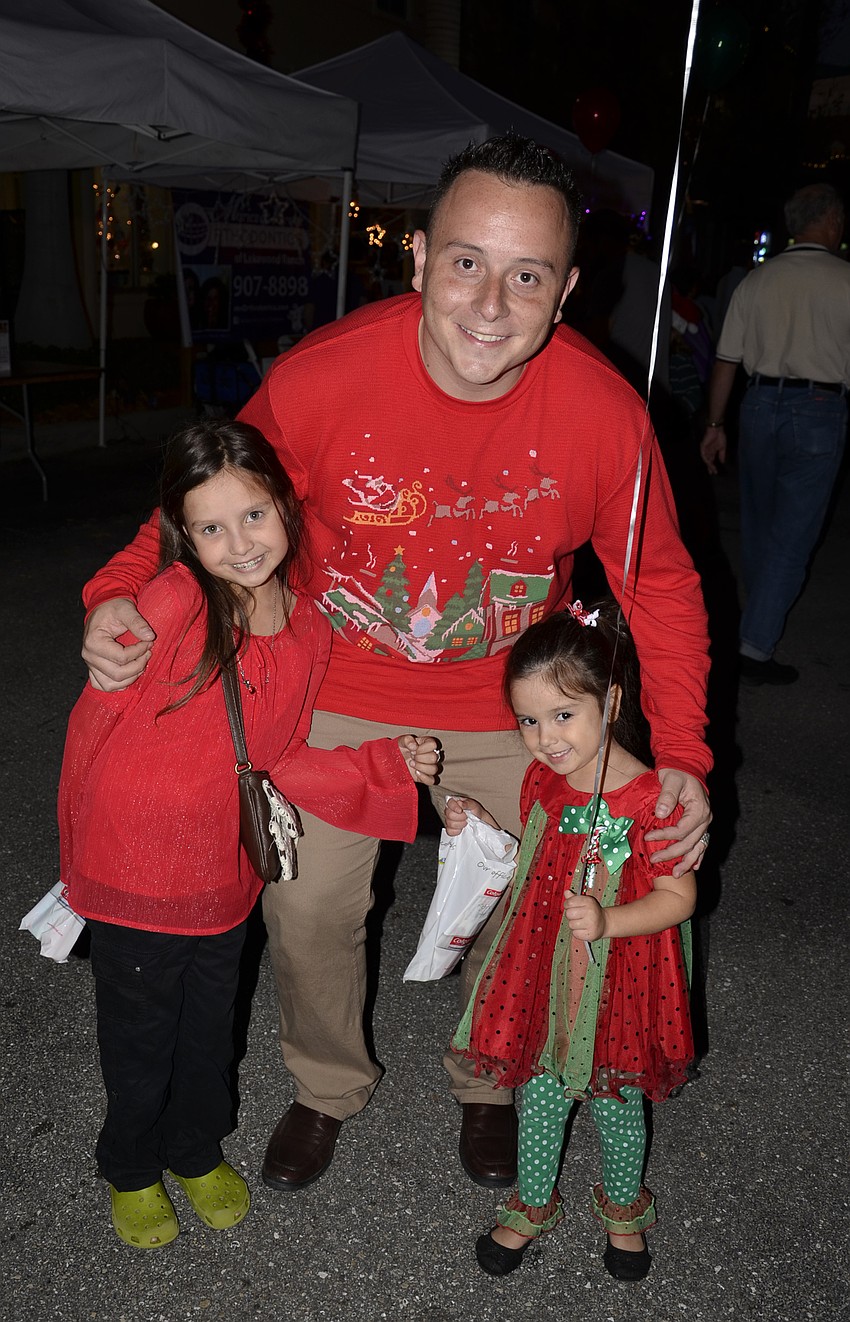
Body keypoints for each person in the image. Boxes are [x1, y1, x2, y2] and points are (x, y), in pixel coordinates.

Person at [79, 136, 712, 1195]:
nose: (491, 302)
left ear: (565, 290)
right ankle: (327, 1084)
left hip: (523, 712)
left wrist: (684, 752)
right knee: (308, 903)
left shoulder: (606, 412)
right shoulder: (324, 376)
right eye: (466, 261)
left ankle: (488, 1074)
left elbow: (660, 584)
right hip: (335, 693)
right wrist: (114, 591)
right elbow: (207, 497)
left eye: (527, 274)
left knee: (554, 897)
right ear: (416, 260)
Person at [58, 419, 438, 1249]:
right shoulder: (174, 601)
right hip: (134, 874)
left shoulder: (306, 628)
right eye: (210, 527)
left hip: (225, 873)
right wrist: (81, 858)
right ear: (182, 536)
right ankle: (129, 1164)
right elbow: (94, 728)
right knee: (141, 1035)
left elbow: (282, 757)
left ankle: (194, 1150)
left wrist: (382, 761)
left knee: (209, 1026)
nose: (239, 543)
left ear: (286, 509)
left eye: (254, 516)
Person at [449, 601, 696, 1280]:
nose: (546, 738)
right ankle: (532, 1203)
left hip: (620, 983)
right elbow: (529, 856)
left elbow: (679, 897)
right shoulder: (546, 784)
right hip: (548, 979)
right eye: (529, 720)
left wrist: (611, 920)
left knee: (617, 1107)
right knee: (541, 1098)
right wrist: (476, 825)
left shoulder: (654, 799)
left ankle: (623, 1212)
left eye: (563, 715)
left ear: (610, 701)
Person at [700, 182, 850, 686]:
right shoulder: (846, 280)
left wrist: (715, 424)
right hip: (819, 406)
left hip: (758, 404)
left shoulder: (758, 281)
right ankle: (756, 645)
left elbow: (726, 360)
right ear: (830, 222)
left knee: (761, 522)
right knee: (794, 532)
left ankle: (752, 621)